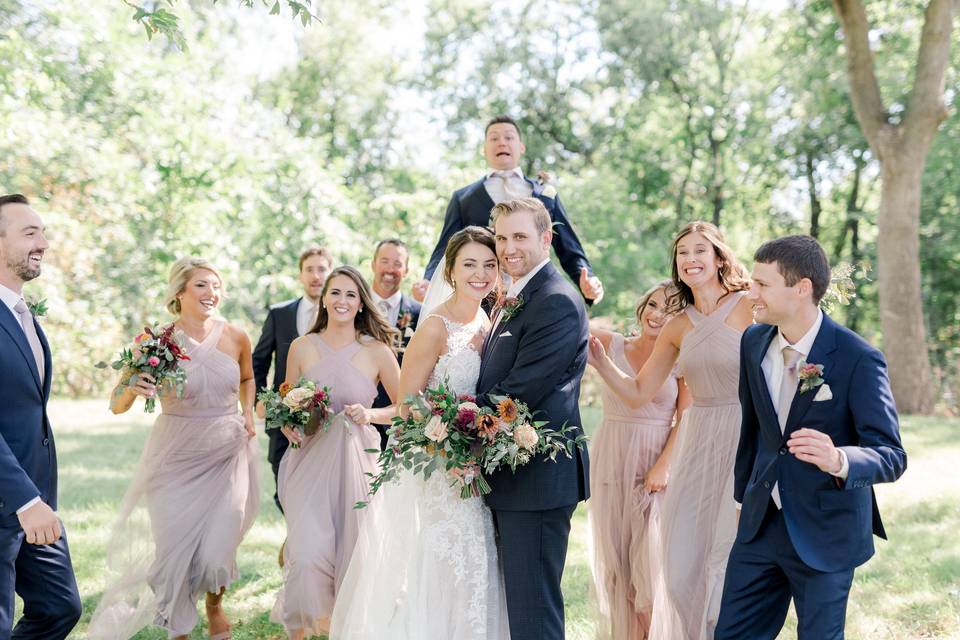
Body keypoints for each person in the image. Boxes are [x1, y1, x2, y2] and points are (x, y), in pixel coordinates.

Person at [714, 235, 907, 639]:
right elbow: (753, 430)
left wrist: (839, 459)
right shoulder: (753, 342)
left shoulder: (858, 358)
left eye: (762, 284)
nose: (751, 293)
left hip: (827, 531)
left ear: (801, 288)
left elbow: (891, 455)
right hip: (760, 525)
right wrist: (742, 500)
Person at [330, 226, 509, 640]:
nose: (480, 274)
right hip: (441, 466)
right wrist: (449, 448)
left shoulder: (487, 319)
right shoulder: (434, 326)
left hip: (476, 466)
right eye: (469, 264)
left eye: (489, 265)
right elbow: (409, 403)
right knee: (444, 560)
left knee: (477, 558)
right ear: (451, 270)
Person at [589, 221, 753, 640]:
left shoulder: (748, 305)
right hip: (697, 442)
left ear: (719, 258)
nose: (690, 259)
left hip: (742, 435)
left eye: (699, 251)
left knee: (725, 556)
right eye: (682, 252)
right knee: (680, 570)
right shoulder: (678, 326)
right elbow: (639, 392)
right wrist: (603, 364)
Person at [88, 257, 260, 640]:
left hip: (226, 453)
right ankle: (178, 628)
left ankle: (214, 604)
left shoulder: (236, 336)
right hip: (174, 459)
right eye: (201, 285)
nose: (211, 293)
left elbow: (248, 378)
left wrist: (247, 412)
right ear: (180, 292)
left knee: (217, 552)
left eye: (216, 285)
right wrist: (132, 388)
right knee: (172, 555)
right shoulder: (156, 343)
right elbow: (116, 403)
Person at [477, 198, 591, 640]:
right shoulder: (519, 295)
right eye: (501, 237)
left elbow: (520, 389)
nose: (508, 248)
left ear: (546, 239)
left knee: (534, 614)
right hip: (513, 477)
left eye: (520, 236)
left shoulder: (555, 300)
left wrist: (453, 417)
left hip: (537, 479)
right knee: (519, 610)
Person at [271, 266, 401, 640]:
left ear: (361, 303)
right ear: (324, 299)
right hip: (308, 462)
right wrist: (288, 423)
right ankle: (307, 623)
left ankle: (344, 629)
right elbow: (286, 401)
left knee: (355, 556)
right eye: (336, 292)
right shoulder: (302, 347)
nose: (342, 300)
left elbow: (406, 407)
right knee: (307, 555)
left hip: (359, 463)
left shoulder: (377, 351)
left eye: (350, 294)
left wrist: (371, 414)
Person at [588, 280, 691, 640]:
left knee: (649, 572)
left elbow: (686, 417)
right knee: (617, 570)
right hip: (611, 461)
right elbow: (566, 328)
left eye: (670, 310)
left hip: (654, 468)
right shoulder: (612, 343)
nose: (658, 315)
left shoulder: (681, 359)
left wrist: (664, 465)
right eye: (653, 305)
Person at [0, 194, 82, 639]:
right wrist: (25, 502)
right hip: (15, 498)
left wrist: (36, 501)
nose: (44, 243)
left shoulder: (21, 312)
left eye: (43, 233)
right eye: (30, 232)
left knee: (59, 607)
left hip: (35, 498)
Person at [413, 115, 603, 305]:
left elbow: (569, 247)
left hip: (537, 295)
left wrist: (588, 280)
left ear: (521, 147)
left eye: (509, 137)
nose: (502, 142)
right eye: (494, 138)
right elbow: (445, 247)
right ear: (484, 149)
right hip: (481, 299)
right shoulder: (463, 198)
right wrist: (429, 281)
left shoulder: (546, 194)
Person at [253, 246, 333, 512]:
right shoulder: (280, 314)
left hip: (326, 422)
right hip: (282, 422)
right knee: (284, 492)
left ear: (331, 273)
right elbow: (258, 361)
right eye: (309, 269)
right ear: (300, 275)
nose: (316, 276)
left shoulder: (341, 317)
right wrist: (261, 401)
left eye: (322, 269)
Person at [368, 238, 421, 449]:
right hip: (359, 415)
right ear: (373, 264)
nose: (390, 269)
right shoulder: (354, 308)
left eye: (398, 264)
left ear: (406, 270)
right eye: (385, 261)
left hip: (402, 424)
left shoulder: (420, 314)